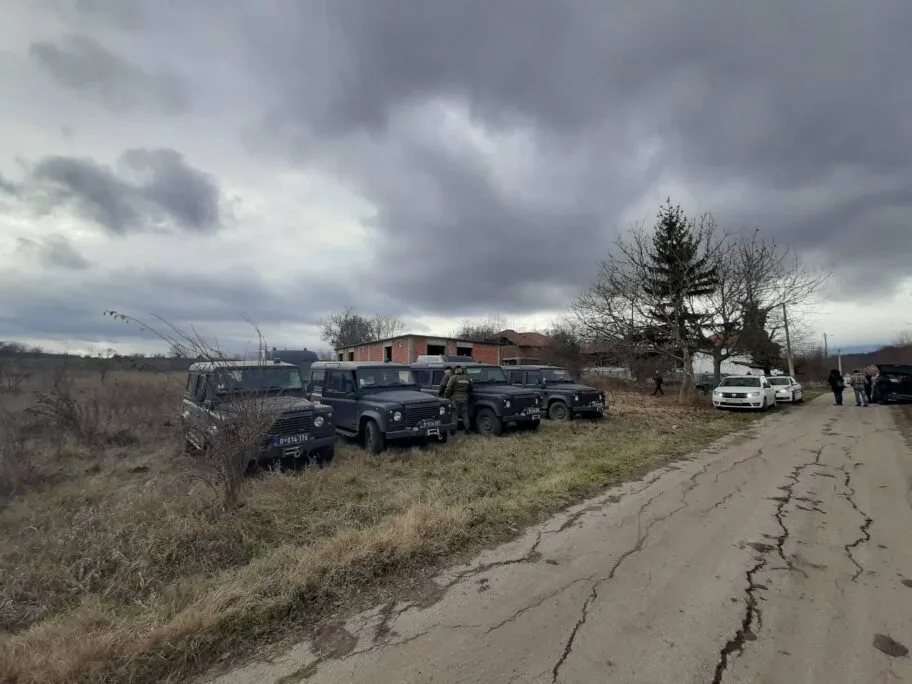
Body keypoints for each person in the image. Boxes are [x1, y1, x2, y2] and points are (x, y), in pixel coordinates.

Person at [445, 365, 473, 432]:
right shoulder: (467, 378)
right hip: (465, 398)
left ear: (455, 371)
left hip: (455, 399)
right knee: (465, 414)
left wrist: (447, 396)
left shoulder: (453, 378)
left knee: (454, 415)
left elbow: (448, 389)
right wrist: (467, 395)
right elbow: (471, 388)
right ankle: (467, 429)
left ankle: (453, 431)